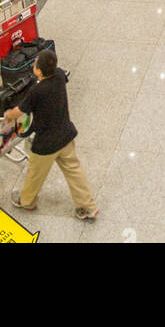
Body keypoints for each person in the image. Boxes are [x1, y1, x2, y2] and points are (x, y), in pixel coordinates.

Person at [6, 48, 99, 219]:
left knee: (35, 174)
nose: (34, 64)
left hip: (46, 144)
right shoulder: (58, 76)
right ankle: (88, 206)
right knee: (74, 171)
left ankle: (27, 201)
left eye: (35, 64)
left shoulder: (36, 92)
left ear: (39, 71)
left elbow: (19, 111)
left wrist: (8, 115)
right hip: (65, 135)